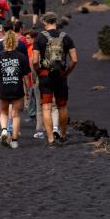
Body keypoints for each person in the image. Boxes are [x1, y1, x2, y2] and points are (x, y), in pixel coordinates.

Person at [33, 12, 78, 146]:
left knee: (46, 107)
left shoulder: (40, 38)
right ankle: (63, 135)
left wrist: (38, 71)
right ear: (56, 21)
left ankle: (51, 139)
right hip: (61, 76)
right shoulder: (66, 37)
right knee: (62, 107)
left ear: (45, 23)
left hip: (45, 76)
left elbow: (35, 60)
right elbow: (74, 60)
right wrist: (66, 73)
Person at [0, 31, 31, 149]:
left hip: (3, 89)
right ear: (16, 42)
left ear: (4, 42)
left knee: (3, 112)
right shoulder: (21, 56)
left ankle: (4, 130)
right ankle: (15, 141)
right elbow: (26, 77)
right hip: (17, 89)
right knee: (16, 115)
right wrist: (27, 91)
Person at [0, 21, 29, 131]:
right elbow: (26, 67)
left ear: (2, 30)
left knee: (0, 104)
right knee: (14, 108)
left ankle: (1, 125)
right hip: (17, 80)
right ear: (13, 28)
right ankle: (11, 128)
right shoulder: (21, 45)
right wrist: (27, 89)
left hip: (0, 80)